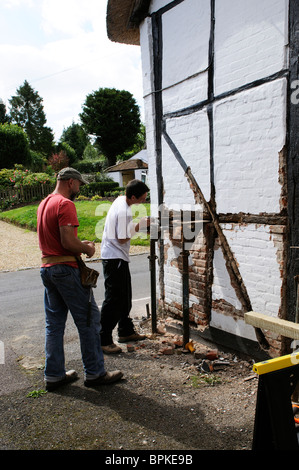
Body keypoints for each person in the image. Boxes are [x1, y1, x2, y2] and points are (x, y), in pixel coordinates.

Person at [37, 167, 123, 391]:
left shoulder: (44, 203)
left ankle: (53, 375)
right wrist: (87, 248)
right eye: (79, 184)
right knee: (88, 321)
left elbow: (58, 239)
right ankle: (95, 373)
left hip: (48, 268)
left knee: (54, 325)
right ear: (70, 182)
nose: (79, 189)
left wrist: (76, 243)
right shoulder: (65, 204)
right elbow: (67, 242)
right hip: (66, 269)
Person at [100, 179, 150, 354]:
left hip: (117, 257)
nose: (144, 201)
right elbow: (122, 238)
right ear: (134, 196)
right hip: (115, 258)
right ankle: (104, 339)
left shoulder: (121, 200)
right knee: (114, 299)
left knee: (125, 296)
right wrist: (140, 226)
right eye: (143, 198)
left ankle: (125, 331)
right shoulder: (124, 211)